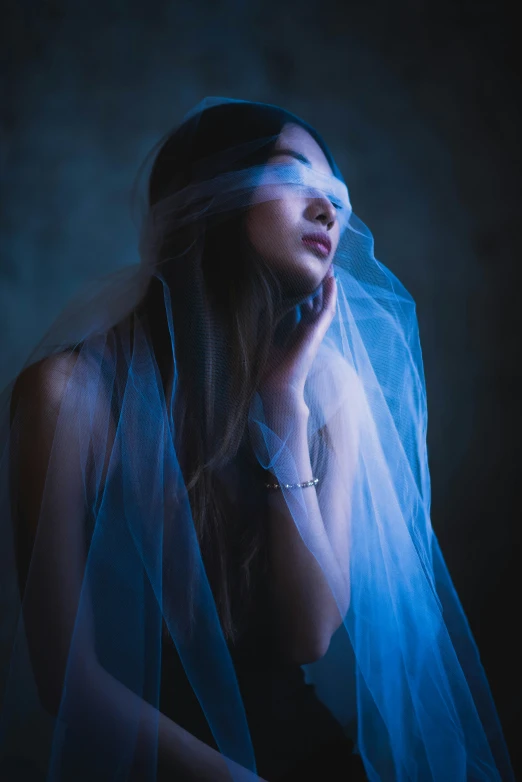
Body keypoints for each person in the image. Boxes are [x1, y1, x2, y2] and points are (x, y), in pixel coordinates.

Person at [0, 97, 513, 781]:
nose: (330, 209)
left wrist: (283, 408)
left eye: (335, 193)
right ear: (208, 194)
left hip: (308, 758)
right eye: (296, 177)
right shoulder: (67, 395)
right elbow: (67, 678)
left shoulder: (327, 393)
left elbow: (309, 634)